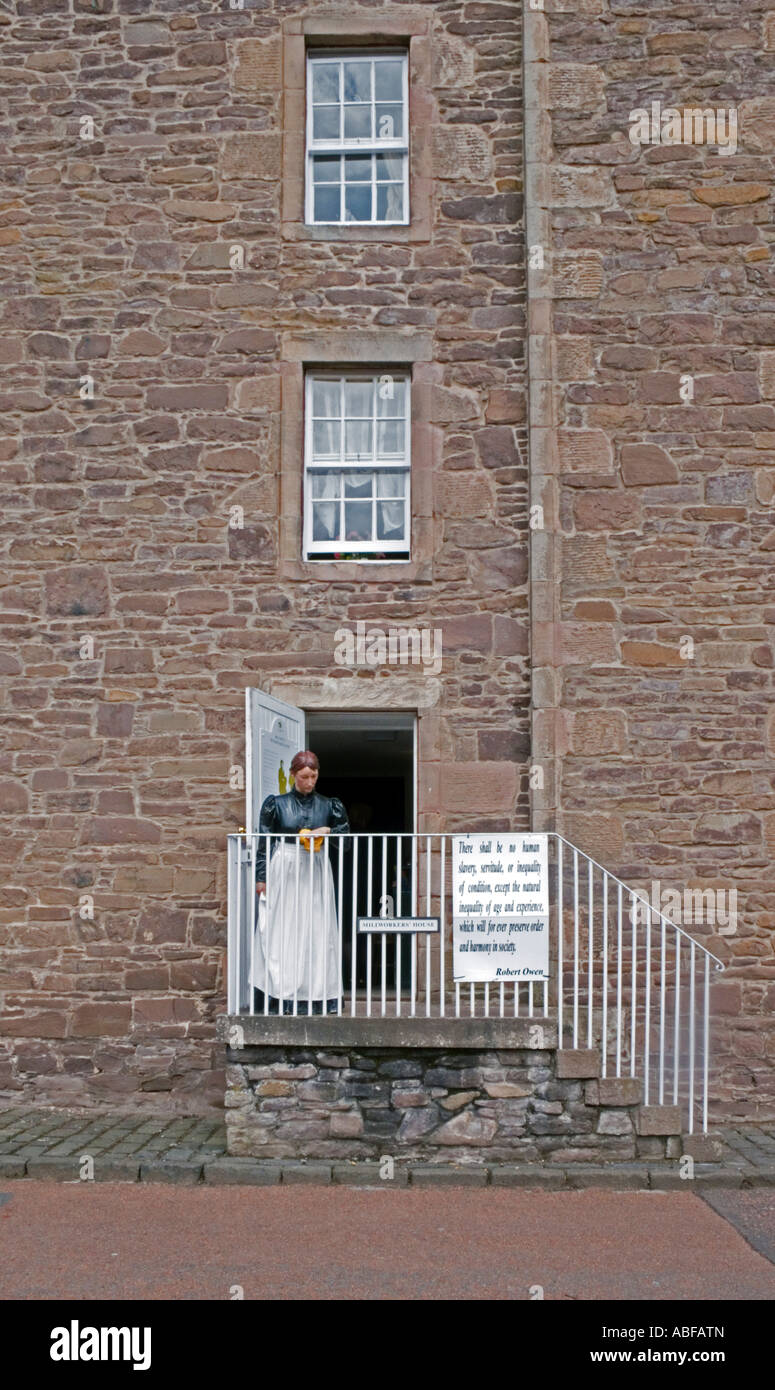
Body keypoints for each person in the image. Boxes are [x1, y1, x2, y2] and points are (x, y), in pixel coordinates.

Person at [252, 751, 349, 1015]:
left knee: (318, 928)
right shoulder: (277, 804)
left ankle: (320, 995)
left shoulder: (329, 805)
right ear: (294, 775)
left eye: (314, 776)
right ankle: (281, 994)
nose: (309, 782)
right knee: (282, 929)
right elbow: (264, 842)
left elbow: (347, 840)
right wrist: (261, 877)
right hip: (286, 863)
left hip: (315, 865)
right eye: (304, 777)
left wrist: (327, 830)